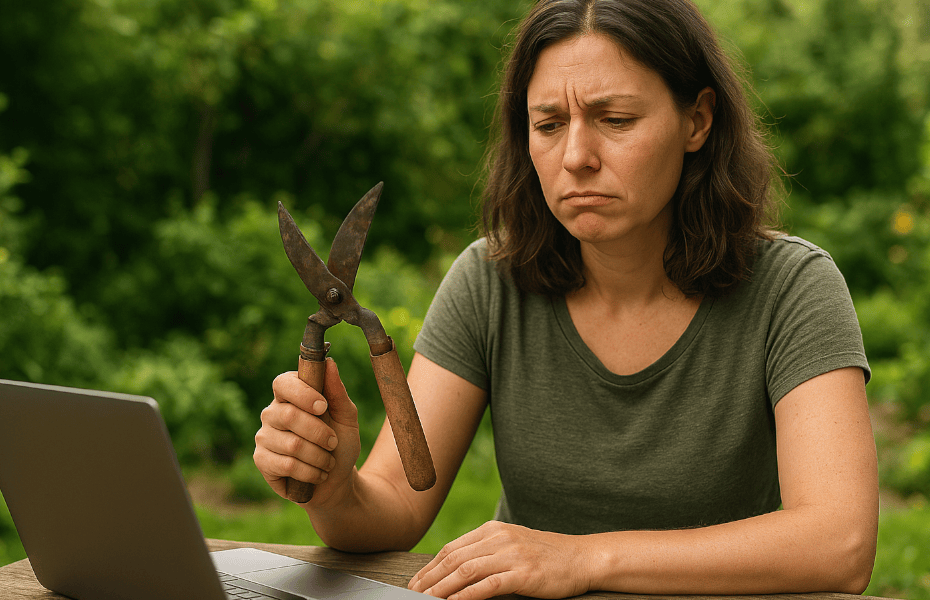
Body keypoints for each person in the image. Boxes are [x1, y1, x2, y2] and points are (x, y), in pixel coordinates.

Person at [253, 0, 879, 597]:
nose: (576, 157)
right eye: (549, 125)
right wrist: (335, 491)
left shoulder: (793, 288)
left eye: (615, 120)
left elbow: (838, 542)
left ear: (697, 121)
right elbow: (392, 507)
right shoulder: (489, 281)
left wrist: (581, 558)